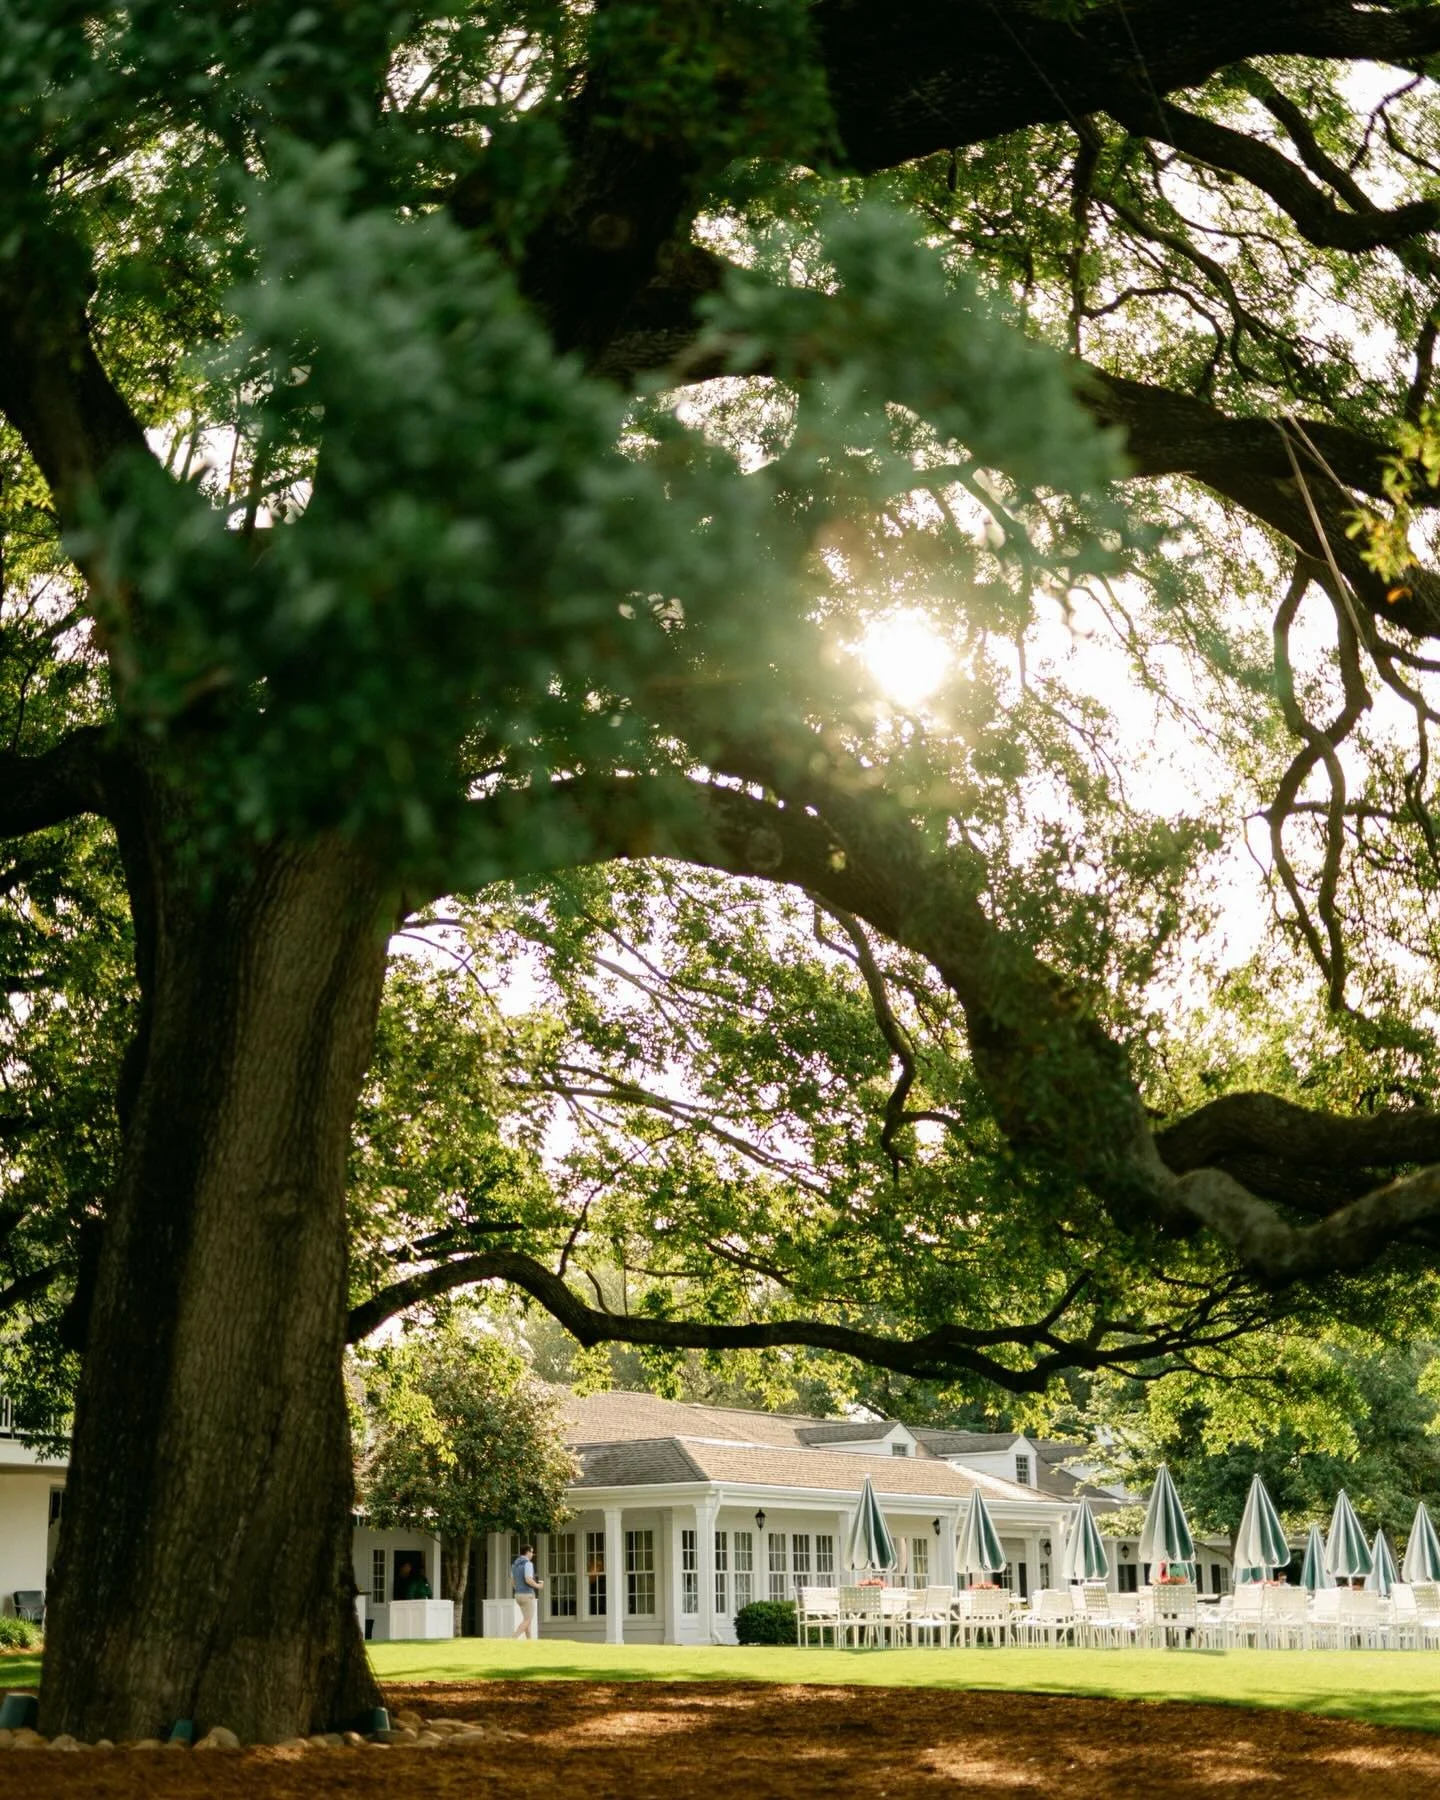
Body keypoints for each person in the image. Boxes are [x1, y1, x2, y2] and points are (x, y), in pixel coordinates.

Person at [511, 1543, 543, 1639]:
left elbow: (512, 1581)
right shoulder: (528, 1564)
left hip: (518, 1595)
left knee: (526, 1620)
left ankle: (529, 1642)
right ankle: (513, 1638)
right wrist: (538, 1586)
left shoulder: (514, 1564)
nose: (533, 1554)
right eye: (532, 1552)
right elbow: (528, 1579)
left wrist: (518, 1589)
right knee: (528, 1620)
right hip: (527, 1595)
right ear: (527, 1552)